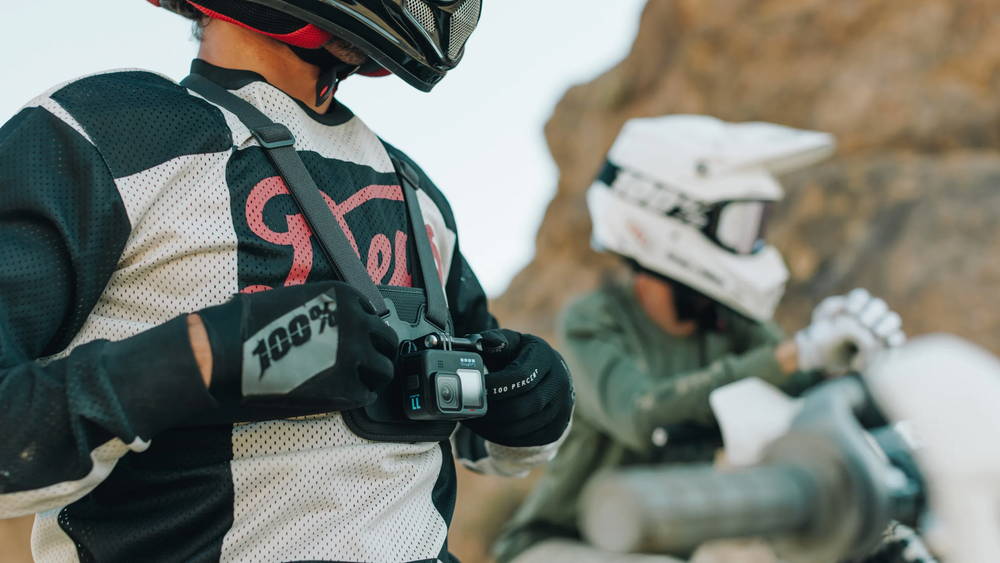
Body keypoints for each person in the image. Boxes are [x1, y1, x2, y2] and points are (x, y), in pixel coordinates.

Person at [0, 2, 574, 562]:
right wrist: (206, 358)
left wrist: (535, 406)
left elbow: (478, 435)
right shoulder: (103, 130)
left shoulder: (415, 189)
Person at [493, 115, 906, 563]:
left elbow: (800, 386)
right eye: (741, 226)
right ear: (669, 214)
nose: (754, 244)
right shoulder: (593, 320)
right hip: (556, 545)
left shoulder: (728, 322)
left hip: (657, 547)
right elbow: (643, 415)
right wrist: (799, 352)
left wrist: (842, 357)